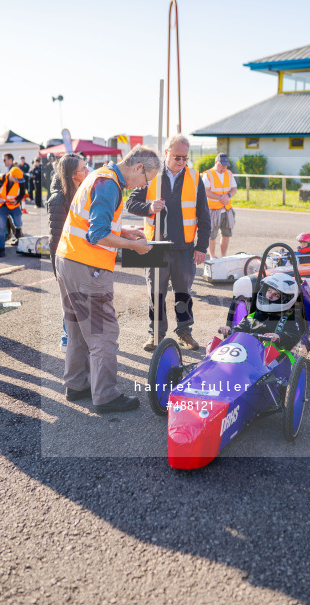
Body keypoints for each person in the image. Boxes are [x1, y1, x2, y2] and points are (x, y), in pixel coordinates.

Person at [55, 145, 160, 413]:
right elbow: (97, 234)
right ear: (138, 167)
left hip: (68, 259)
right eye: (146, 179)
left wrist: (123, 230)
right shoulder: (110, 184)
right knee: (104, 332)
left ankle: (77, 384)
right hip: (88, 266)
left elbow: (93, 222)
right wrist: (132, 245)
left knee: (77, 327)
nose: (143, 185)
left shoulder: (101, 175)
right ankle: (105, 395)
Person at [125, 134, 211, 352]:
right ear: (166, 153)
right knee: (156, 293)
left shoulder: (194, 177)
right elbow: (130, 204)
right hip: (155, 245)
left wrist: (201, 248)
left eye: (185, 157)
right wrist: (149, 208)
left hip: (184, 248)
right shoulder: (152, 175)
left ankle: (184, 332)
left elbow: (204, 216)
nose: (181, 161)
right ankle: (156, 334)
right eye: (177, 157)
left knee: (183, 293)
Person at [47, 153, 89, 348]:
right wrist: (59, 269)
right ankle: (67, 339)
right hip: (67, 260)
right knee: (70, 303)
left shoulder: (82, 190)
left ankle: (82, 341)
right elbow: (56, 238)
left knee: (82, 302)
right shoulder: (58, 199)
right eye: (83, 168)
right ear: (73, 175)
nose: (88, 170)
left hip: (82, 258)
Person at [217, 273, 306, 353]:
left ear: (286, 299)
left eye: (276, 295)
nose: (270, 296)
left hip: (273, 362)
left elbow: (294, 337)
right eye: (269, 291)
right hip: (250, 356)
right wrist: (229, 330)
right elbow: (240, 330)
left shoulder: (289, 317)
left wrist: (279, 337)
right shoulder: (252, 316)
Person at [0, 158, 26, 258]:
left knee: (18, 220)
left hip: (14, 205)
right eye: (16, 179)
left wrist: (17, 200)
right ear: (11, 176)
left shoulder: (20, 181)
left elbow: (22, 193)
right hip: (1, 206)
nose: (19, 181)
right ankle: (1, 249)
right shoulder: (0, 179)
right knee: (0, 228)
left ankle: (18, 229)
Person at [202, 153, 237, 259]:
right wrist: (221, 198)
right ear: (216, 162)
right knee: (212, 235)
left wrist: (228, 196)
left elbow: (234, 189)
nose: (224, 167)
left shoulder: (229, 173)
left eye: (226, 165)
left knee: (226, 234)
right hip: (212, 210)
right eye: (222, 165)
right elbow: (206, 191)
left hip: (226, 209)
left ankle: (223, 257)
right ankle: (212, 257)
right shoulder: (207, 174)